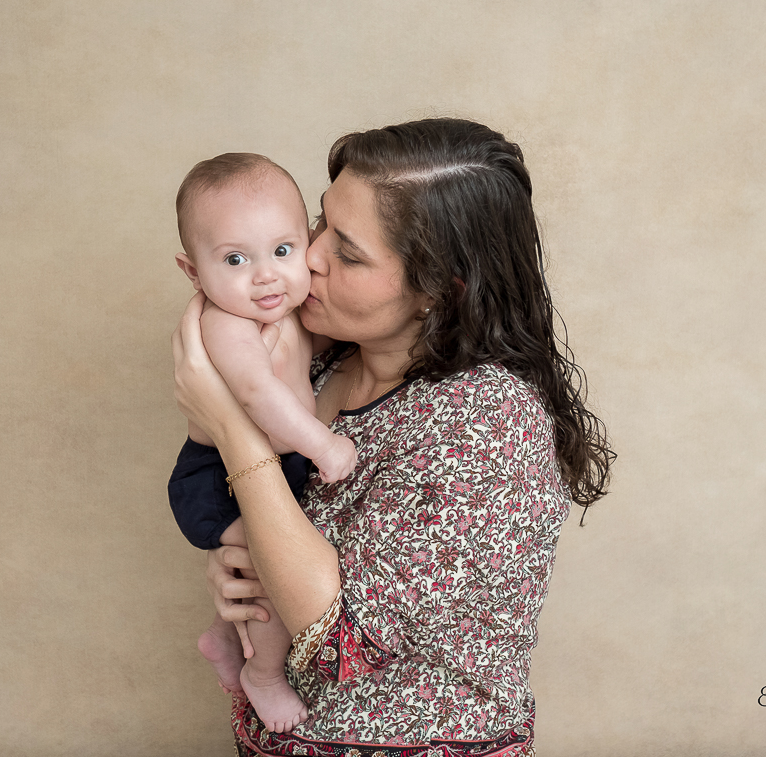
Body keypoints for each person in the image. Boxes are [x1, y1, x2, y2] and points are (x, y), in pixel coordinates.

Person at [171, 119, 614, 755]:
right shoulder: (319, 355)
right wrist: (235, 569)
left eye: (347, 252)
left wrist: (231, 428)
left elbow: (337, 636)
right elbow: (274, 538)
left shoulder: (488, 419)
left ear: (438, 289)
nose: (309, 256)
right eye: (319, 224)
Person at [171, 153, 357, 733]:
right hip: (217, 478)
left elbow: (309, 357)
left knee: (264, 561)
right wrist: (322, 446)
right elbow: (257, 398)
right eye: (234, 259)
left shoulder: (291, 308)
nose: (266, 275)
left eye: (283, 250)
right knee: (270, 572)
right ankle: (265, 675)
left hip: (270, 467)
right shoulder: (225, 324)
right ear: (194, 273)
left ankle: (226, 640)